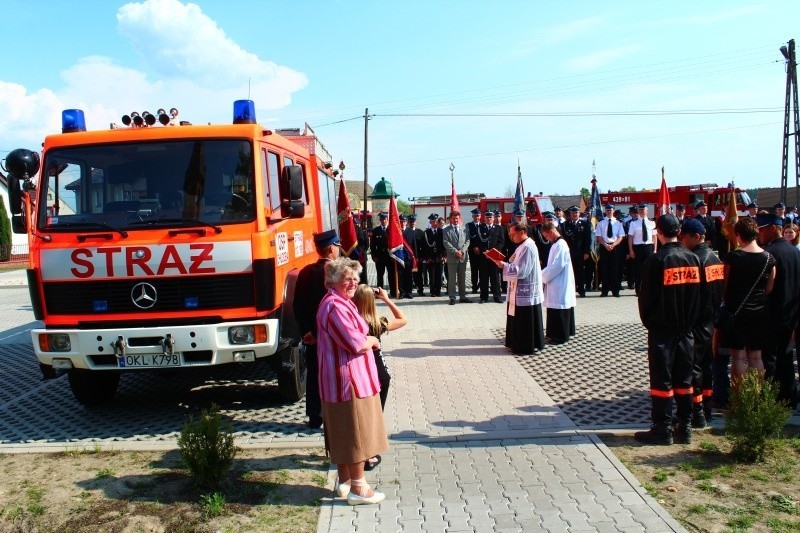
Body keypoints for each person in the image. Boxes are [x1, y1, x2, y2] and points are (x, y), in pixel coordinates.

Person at [316, 258, 389, 505]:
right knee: (355, 431)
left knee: (344, 431)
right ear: (333, 281)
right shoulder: (335, 306)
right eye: (347, 278)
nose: (353, 283)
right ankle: (359, 489)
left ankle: (345, 481)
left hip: (343, 380)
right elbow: (355, 343)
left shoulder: (340, 302)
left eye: (356, 278)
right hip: (348, 381)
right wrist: (372, 340)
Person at [635, 214, 702, 445]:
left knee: (662, 380)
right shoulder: (693, 258)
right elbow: (700, 297)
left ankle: (662, 428)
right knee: (684, 379)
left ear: (659, 232)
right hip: (687, 330)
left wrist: (651, 323)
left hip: (663, 331)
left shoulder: (657, 261)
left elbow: (646, 299)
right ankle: (685, 427)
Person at [352, 284, 407, 470]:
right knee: (376, 416)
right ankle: (371, 454)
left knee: (363, 415)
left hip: (362, 374)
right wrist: (386, 299)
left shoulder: (352, 323)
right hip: (381, 374)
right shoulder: (378, 322)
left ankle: (364, 454)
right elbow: (402, 319)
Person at [718, 217, 776, 389]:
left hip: (737, 310)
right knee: (756, 357)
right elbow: (769, 288)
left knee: (738, 357)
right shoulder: (769, 258)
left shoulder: (733, 257)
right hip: (760, 311)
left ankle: (738, 400)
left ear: (738, 235)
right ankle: (755, 398)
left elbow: (724, 287)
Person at [293, 229, 341, 429]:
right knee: (335, 374)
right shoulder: (337, 273)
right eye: (337, 246)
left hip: (312, 337)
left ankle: (315, 416)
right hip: (333, 336)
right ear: (331, 248)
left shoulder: (305, 272)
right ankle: (336, 416)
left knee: (313, 374)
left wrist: (307, 332)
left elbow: (297, 305)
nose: (338, 250)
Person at [680, 218, 724, 427]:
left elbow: (692, 296)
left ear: (696, 237)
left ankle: (696, 411)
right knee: (706, 367)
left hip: (697, 322)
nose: (681, 241)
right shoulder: (715, 259)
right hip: (710, 321)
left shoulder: (696, 260)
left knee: (693, 368)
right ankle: (706, 407)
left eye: (684, 237)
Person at [758, 213, 800, 410]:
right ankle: (790, 396)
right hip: (792, 313)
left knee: (771, 359)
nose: (759, 234)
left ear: (772, 228)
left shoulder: (770, 253)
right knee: (786, 355)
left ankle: (773, 398)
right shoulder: (794, 252)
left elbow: (766, 287)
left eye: (762, 229)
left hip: (773, 312)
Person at [491, 221, 545, 354]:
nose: (511, 237)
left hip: (525, 290)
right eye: (510, 235)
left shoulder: (528, 247)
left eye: (513, 234)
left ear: (522, 232)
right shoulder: (521, 246)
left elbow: (522, 270)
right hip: (518, 288)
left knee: (524, 320)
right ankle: (516, 343)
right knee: (517, 318)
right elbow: (515, 261)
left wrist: (504, 265)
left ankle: (524, 346)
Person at [540, 223, 576, 344]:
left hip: (559, 282)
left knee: (559, 307)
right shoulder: (556, 244)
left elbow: (557, 265)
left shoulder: (561, 245)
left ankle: (560, 336)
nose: (546, 238)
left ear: (551, 232)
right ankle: (553, 333)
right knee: (553, 307)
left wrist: (541, 275)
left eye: (546, 236)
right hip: (555, 281)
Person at [562, 205, 592, 298]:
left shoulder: (585, 224)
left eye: (576, 212)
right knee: (570, 272)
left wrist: (587, 252)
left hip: (581, 253)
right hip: (569, 253)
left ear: (579, 213)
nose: (574, 214)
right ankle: (571, 290)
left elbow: (588, 239)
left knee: (580, 272)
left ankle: (581, 290)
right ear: (570, 214)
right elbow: (563, 239)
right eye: (573, 213)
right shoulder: (565, 225)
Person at [443, 210, 472, 305]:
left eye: (457, 218)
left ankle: (462, 296)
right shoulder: (446, 230)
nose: (455, 220)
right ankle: (452, 297)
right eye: (454, 218)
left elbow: (467, 241)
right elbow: (446, 242)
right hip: (452, 257)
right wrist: (455, 251)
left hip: (462, 257)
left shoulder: (464, 229)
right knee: (451, 279)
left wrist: (462, 251)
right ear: (450, 219)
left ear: (459, 219)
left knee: (462, 278)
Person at [595, 204, 624, 297]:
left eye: (610, 210)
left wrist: (613, 245)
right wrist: (606, 245)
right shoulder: (601, 223)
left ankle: (615, 291)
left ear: (613, 210)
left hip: (615, 247)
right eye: (607, 210)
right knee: (604, 270)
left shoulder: (618, 223)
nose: (609, 211)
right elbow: (599, 237)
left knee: (615, 270)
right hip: (604, 247)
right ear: (605, 211)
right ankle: (605, 291)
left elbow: (621, 237)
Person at [628, 203, 657, 296]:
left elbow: (654, 237)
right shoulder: (633, 223)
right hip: (638, 248)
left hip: (648, 247)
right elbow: (630, 237)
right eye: (639, 210)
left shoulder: (652, 222)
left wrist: (655, 249)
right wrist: (631, 250)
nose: (641, 211)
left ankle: (648, 289)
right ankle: (638, 289)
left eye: (643, 210)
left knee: (649, 269)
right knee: (638, 270)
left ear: (647, 211)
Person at [480, 211, 504, 303]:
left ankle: (497, 296)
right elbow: (479, 241)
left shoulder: (499, 228)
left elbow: (501, 242)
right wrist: (485, 251)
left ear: (494, 219)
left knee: (495, 277)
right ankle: (483, 297)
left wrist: (492, 252)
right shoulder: (480, 228)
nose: (489, 219)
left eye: (491, 217)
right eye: (487, 217)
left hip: (494, 257)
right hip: (484, 256)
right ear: (485, 218)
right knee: (483, 278)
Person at [422, 213, 443, 297]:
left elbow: (443, 245)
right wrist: (426, 258)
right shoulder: (426, 232)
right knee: (432, 275)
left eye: (435, 221)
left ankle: (438, 291)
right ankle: (432, 292)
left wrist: (444, 256)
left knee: (439, 275)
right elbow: (424, 246)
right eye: (432, 221)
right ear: (430, 222)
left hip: (439, 256)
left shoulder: (441, 231)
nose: (434, 223)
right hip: (430, 257)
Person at [370, 213, 392, 293]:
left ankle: (393, 291)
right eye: (382, 219)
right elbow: (372, 245)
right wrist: (373, 256)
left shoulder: (391, 230)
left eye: (385, 219)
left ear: (387, 220)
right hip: (379, 257)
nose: (383, 221)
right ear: (380, 220)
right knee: (380, 275)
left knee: (391, 274)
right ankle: (380, 291)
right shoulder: (375, 231)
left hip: (390, 256)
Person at [466, 208, 483, 294]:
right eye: (475, 216)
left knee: (482, 269)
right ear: (472, 216)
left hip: (482, 251)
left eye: (478, 215)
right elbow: (467, 238)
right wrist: (474, 247)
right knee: (474, 270)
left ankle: (482, 285)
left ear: (480, 216)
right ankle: (474, 287)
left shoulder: (483, 225)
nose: (477, 217)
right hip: (472, 251)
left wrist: (480, 248)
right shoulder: (468, 225)